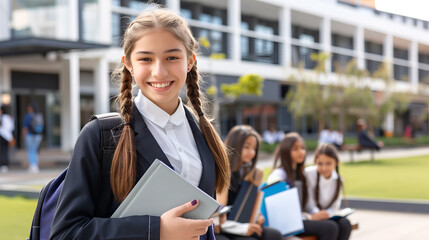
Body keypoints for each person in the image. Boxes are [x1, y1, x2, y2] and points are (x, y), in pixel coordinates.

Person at [50, 7, 230, 240]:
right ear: (129, 64)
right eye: (146, 58)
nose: (159, 71)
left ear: (189, 61)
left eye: (172, 57)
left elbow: (202, 226)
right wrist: (156, 230)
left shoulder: (202, 132)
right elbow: (65, 234)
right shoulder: (100, 136)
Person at [267, 132, 339, 240]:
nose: (301, 152)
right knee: (330, 228)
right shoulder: (278, 176)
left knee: (342, 225)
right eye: (295, 149)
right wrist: (309, 217)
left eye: (302, 148)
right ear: (286, 151)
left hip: (301, 219)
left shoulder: (301, 174)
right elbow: (279, 210)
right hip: (287, 224)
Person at [215, 125, 282, 240]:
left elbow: (247, 205)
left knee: (274, 235)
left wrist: (257, 216)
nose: (252, 152)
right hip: (224, 226)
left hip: (242, 223)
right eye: (247, 147)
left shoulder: (248, 172)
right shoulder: (223, 172)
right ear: (235, 146)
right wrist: (244, 229)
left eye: (254, 148)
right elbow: (218, 216)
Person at [304, 143, 352, 240]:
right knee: (331, 227)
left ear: (336, 162)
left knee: (345, 224)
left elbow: (335, 206)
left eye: (328, 163)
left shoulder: (339, 180)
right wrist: (318, 213)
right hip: (311, 215)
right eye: (320, 164)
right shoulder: (308, 174)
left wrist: (327, 214)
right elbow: (309, 202)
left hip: (328, 216)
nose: (324, 168)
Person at [22, 102, 43, 173]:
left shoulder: (28, 115)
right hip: (38, 135)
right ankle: (35, 165)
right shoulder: (39, 115)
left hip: (30, 135)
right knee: (35, 150)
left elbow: (25, 127)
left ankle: (32, 165)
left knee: (31, 151)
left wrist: (23, 135)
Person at [0, 105, 14, 172]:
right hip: (7, 137)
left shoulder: (2, 117)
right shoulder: (9, 117)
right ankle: (5, 165)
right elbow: (11, 127)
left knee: (2, 151)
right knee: (5, 151)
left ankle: (3, 165)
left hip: (2, 136)